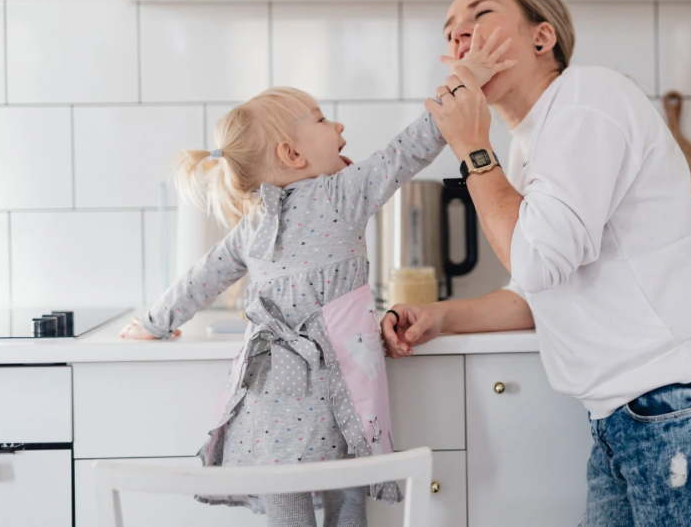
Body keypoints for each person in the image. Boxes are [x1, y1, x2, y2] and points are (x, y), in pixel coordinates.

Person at [381, 0, 691, 526]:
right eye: (451, 32)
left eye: (480, 15)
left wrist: (473, 148)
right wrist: (440, 317)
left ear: (542, 37)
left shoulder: (587, 98)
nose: (461, 38)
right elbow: (536, 289)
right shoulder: (535, 141)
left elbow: (535, 259)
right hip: (634, 416)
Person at [116, 77, 499, 527]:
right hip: (341, 390)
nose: (338, 126)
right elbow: (406, 150)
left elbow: (202, 277)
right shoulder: (340, 194)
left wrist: (154, 323)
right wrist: (455, 98)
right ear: (292, 154)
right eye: (320, 120)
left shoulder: (254, 222)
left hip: (270, 399)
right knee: (349, 494)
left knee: (286, 498)